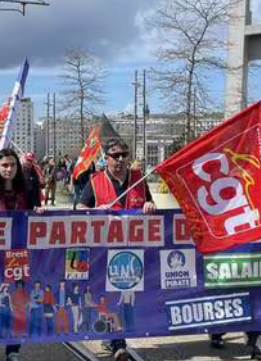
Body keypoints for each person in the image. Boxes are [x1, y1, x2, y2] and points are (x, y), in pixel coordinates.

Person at [77, 139, 156, 361]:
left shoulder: (138, 181)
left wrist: (150, 206)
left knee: (128, 297)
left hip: (133, 250)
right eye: (115, 156)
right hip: (105, 251)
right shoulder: (96, 181)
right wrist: (94, 211)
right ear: (106, 158)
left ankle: (114, 338)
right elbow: (80, 208)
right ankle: (117, 343)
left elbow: (148, 204)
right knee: (110, 296)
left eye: (124, 154)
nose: (121, 160)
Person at [0, 148, 46, 361]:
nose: (9, 169)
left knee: (17, 301)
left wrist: (38, 212)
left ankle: (13, 349)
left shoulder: (27, 189)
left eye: (13, 165)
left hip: (19, 254)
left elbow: (36, 212)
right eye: (4, 165)